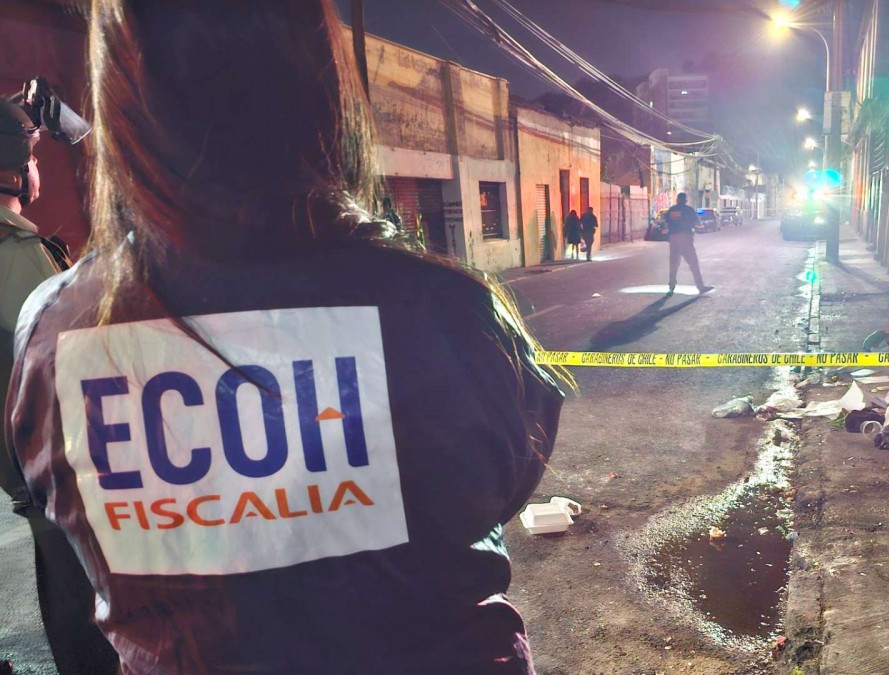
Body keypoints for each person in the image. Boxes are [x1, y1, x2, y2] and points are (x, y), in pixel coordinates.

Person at [5, 1, 564, 673]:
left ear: (119, 88)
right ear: (316, 77)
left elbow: (58, 514)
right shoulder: (446, 311)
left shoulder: (56, 332)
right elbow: (507, 477)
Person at [0, 99, 119, 674]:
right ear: (13, 171)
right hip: (54, 475)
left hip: (20, 475)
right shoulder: (20, 259)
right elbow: (82, 357)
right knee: (87, 621)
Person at [663, 192, 712, 295]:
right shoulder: (689, 210)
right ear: (685, 200)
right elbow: (697, 223)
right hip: (685, 238)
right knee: (693, 263)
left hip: (673, 239)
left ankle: (671, 287)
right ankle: (700, 286)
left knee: (673, 264)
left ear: (677, 200)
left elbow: (666, 224)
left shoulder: (671, 210)